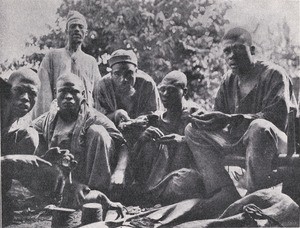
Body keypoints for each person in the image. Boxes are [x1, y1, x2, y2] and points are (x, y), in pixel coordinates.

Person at [185, 27, 297, 197]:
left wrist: (230, 119)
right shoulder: (228, 80)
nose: (232, 55)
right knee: (192, 130)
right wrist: (205, 120)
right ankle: (223, 192)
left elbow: (277, 119)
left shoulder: (274, 74)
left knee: (259, 127)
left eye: (238, 48)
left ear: (252, 50)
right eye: (227, 51)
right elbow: (220, 116)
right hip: (240, 141)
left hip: (277, 142)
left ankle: (256, 198)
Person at [33, 73, 129, 194]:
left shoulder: (93, 117)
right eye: (63, 91)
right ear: (55, 92)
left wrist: (120, 171)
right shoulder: (45, 121)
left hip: (90, 180)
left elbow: (122, 145)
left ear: (83, 94)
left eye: (74, 92)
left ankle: (97, 193)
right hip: (62, 180)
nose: (68, 96)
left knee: (97, 132)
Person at [128, 71, 204, 205]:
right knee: (149, 144)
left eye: (171, 90)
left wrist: (182, 141)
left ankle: (152, 197)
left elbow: (207, 148)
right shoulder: (154, 119)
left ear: (184, 92)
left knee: (190, 180)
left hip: (178, 179)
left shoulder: (194, 116)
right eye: (162, 89)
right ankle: (151, 195)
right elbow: (133, 158)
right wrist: (142, 140)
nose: (165, 94)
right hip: (153, 182)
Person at [32, 10, 101, 119]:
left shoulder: (91, 62)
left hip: (85, 118)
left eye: (80, 27)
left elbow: (99, 95)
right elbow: (43, 94)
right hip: (58, 118)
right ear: (66, 31)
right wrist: (46, 121)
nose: (77, 29)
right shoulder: (52, 57)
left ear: (86, 32)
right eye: (73, 26)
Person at [93, 49, 161, 127]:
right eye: (117, 74)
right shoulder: (103, 86)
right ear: (111, 74)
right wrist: (115, 115)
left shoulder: (147, 84)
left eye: (129, 73)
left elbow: (157, 114)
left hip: (144, 131)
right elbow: (97, 118)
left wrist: (144, 119)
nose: (123, 80)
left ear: (136, 72)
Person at [1, 69, 40, 155]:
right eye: (19, 90)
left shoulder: (24, 132)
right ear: (6, 91)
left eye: (32, 93)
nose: (25, 97)